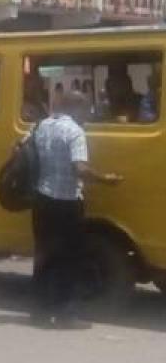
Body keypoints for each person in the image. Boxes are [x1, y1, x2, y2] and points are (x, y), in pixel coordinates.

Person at [30, 91, 123, 329]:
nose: (87, 114)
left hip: (42, 199)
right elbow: (80, 169)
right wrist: (106, 179)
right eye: (85, 109)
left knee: (44, 257)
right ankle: (66, 315)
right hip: (67, 202)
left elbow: (16, 149)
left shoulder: (41, 126)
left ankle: (40, 312)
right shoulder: (75, 132)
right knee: (69, 259)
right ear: (77, 108)